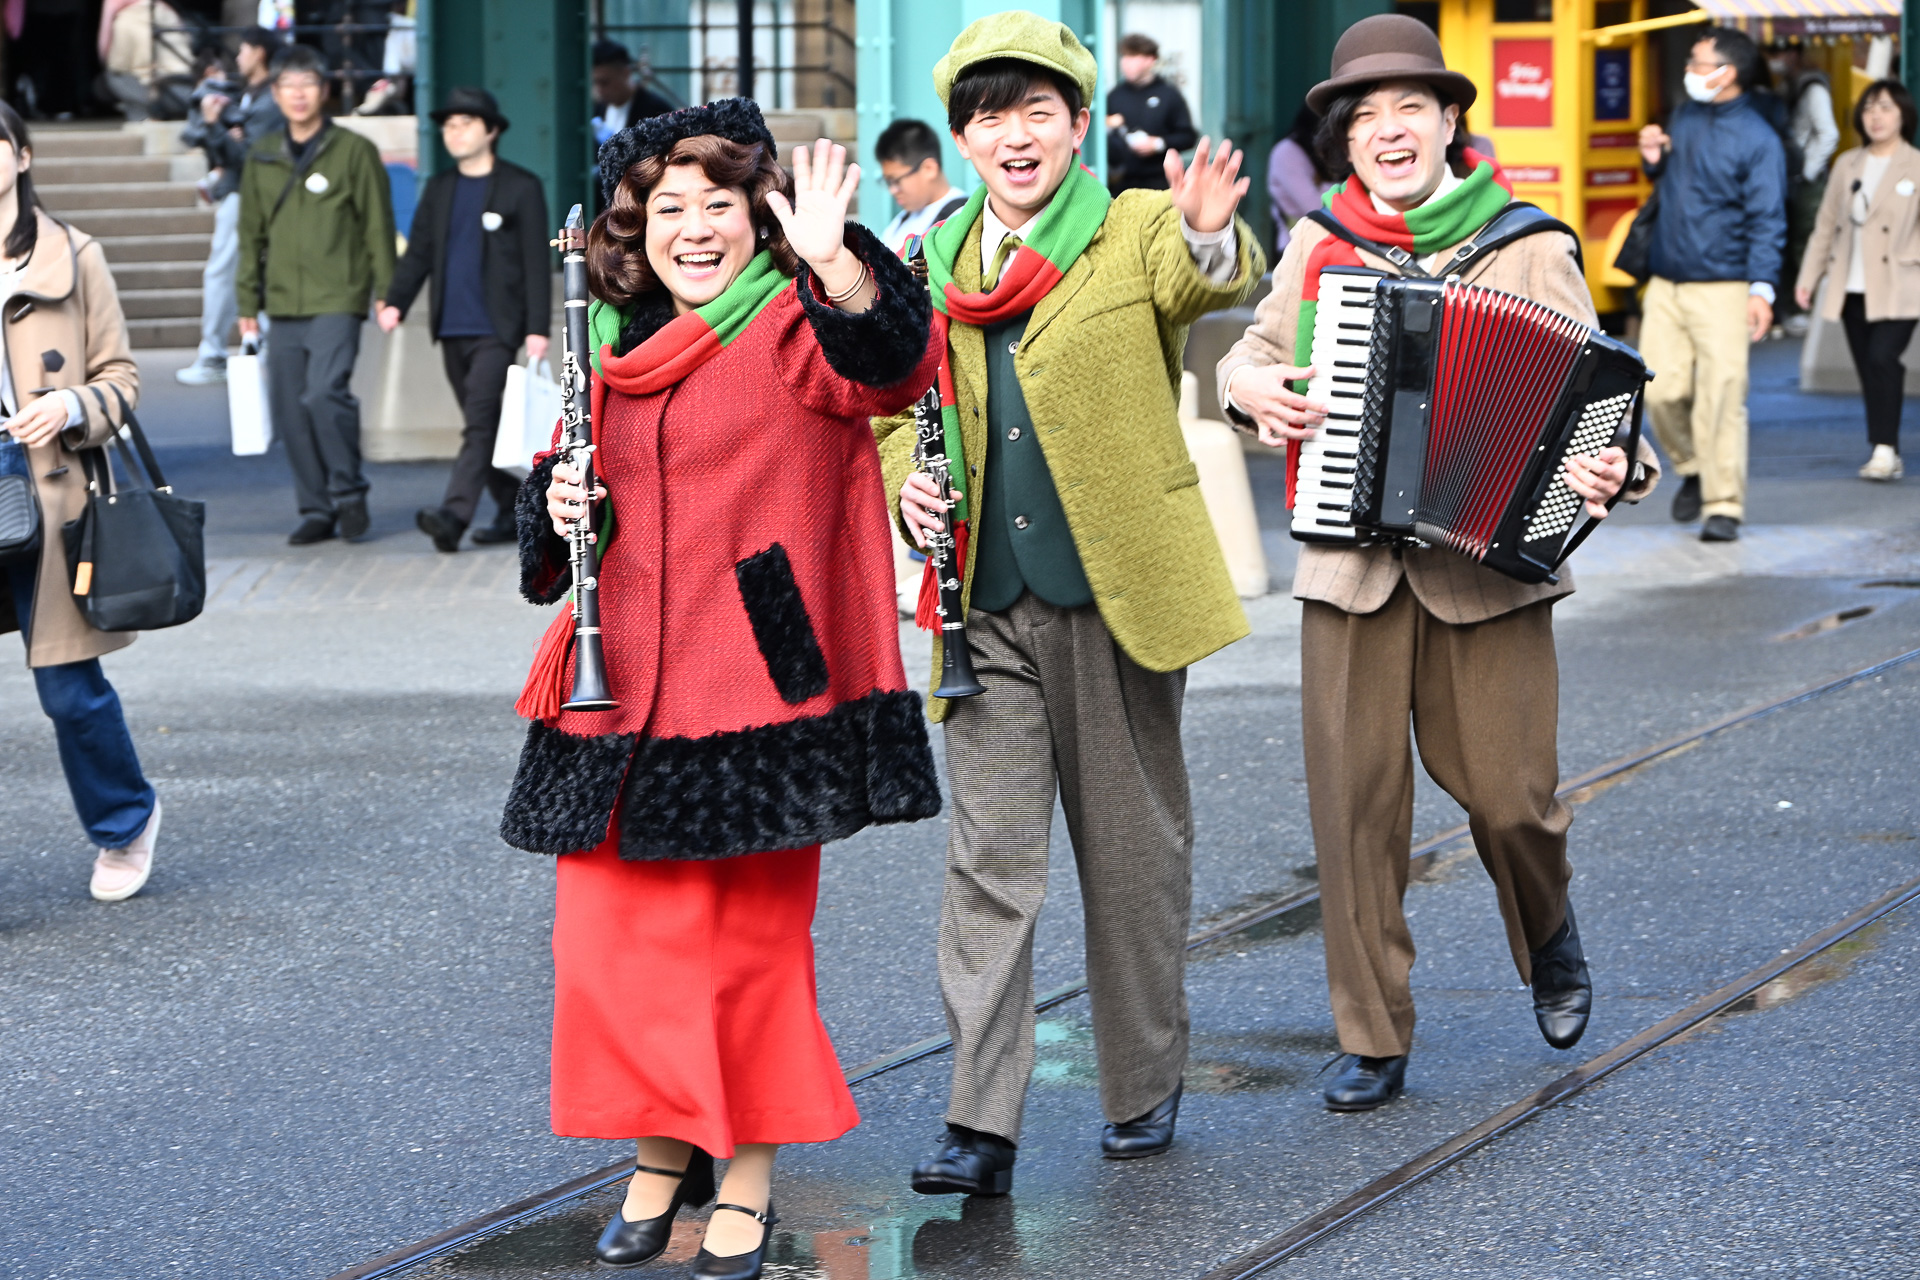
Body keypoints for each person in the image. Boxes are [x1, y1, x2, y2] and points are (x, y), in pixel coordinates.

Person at [499, 101, 941, 1280]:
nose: (692, 230)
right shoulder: (604, 336)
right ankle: (660, 1150)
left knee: (746, 950)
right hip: (614, 689)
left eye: (718, 205)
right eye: (666, 210)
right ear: (632, 230)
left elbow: (896, 365)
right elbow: (550, 508)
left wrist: (843, 255)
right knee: (613, 952)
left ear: (760, 217)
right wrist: (555, 509)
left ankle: (743, 1170)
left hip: (755, 691)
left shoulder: (800, 321)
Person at [1217, 13, 1659, 1113]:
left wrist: (1616, 467)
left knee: (1512, 796)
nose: (1385, 132)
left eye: (1407, 107)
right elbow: (1252, 351)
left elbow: (1601, 404)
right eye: (1363, 118)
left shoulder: (1525, 243)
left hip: (1488, 569)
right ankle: (1373, 1031)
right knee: (1354, 810)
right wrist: (1248, 389)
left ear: (1450, 118)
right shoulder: (1321, 241)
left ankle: (1547, 928)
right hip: (1349, 570)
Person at [879, 12, 1262, 1193]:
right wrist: (909, 493)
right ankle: (978, 1119)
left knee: (1132, 854)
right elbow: (895, 406)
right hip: (982, 606)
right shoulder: (928, 257)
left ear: (1079, 124)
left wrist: (1207, 232)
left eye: (1037, 109)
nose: (1015, 133)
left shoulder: (1135, 227)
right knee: (989, 861)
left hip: (1115, 593)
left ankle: (1142, 1081)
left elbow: (1212, 275)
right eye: (991, 114)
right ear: (967, 137)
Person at [0, 105, 162, 903]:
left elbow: (121, 379)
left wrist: (67, 408)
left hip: (46, 486)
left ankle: (125, 821)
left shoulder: (76, 255)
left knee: (68, 690)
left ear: (22, 155)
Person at [235, 44, 395, 547]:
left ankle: (349, 493)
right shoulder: (261, 155)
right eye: (288, 86)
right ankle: (316, 507)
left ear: (323, 91)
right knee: (291, 409)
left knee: (324, 394)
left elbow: (377, 226)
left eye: (308, 85)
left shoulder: (354, 151)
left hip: (338, 296)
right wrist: (246, 305)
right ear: (275, 93)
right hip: (281, 302)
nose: (298, 94)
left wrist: (385, 292)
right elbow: (249, 236)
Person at [378, 87, 550, 551]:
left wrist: (538, 327)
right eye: (449, 126)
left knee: (477, 423)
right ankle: (520, 512)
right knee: (486, 425)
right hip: (450, 325)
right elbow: (418, 254)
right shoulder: (440, 188)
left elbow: (536, 261)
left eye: (466, 124)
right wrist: (395, 301)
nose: (455, 133)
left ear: (491, 130)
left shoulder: (521, 186)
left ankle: (453, 515)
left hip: (498, 327)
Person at [1637, 26, 1786, 544]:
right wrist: (1653, 162)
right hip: (1666, 281)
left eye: (1698, 63)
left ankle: (1724, 505)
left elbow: (1769, 218)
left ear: (1727, 74)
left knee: (1722, 395)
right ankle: (1694, 466)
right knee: (1660, 391)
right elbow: (1674, 186)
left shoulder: (1760, 141)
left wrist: (1762, 290)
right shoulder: (1684, 116)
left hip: (1725, 285)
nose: (1689, 70)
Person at [1795, 78, 1920, 483]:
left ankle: (1884, 450)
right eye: (1868, 108)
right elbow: (1825, 225)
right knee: (1869, 367)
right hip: (1852, 286)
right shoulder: (1847, 165)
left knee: (1884, 359)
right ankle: (1885, 448)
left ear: (1903, 114)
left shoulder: (1915, 165)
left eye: (1884, 107)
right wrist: (1809, 277)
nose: (1876, 116)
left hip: (1901, 285)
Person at [177, 26, 282, 387]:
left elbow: (248, 154)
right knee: (241, 271)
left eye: (244, 50)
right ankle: (239, 348)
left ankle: (213, 354)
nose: (239, 57)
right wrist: (221, 133)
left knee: (224, 272)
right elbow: (228, 149)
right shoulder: (249, 95)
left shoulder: (269, 99)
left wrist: (215, 126)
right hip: (241, 192)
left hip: (249, 195)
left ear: (260, 53)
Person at [1769, 38, 1838, 335]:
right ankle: (1797, 311)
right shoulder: (1789, 86)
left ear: (1794, 53)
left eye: (1779, 51)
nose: (1774, 58)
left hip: (1807, 184)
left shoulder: (1812, 88)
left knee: (1806, 246)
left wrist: (1806, 173)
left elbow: (1828, 134)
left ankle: (1808, 312)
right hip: (1791, 180)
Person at [1102, 32, 1196, 195]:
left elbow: (1188, 136)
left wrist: (1158, 144)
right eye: (1124, 56)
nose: (1126, 63)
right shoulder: (1114, 96)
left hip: (1160, 184)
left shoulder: (1169, 95)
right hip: (1120, 186)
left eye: (1134, 56)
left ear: (1150, 60)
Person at [875, 117, 968, 256]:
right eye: (888, 182)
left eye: (896, 181)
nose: (892, 190)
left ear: (928, 168)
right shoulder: (901, 219)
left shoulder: (961, 217)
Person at [1267, 104, 1333, 257]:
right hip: (1296, 248)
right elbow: (1315, 207)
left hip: (1330, 245)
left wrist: (1321, 185)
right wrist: (1336, 187)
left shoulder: (1329, 150)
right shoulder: (1286, 152)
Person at [591, 39, 674, 146]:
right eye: (595, 82)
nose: (599, 89)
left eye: (605, 82)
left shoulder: (656, 112)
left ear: (626, 73)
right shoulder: (596, 109)